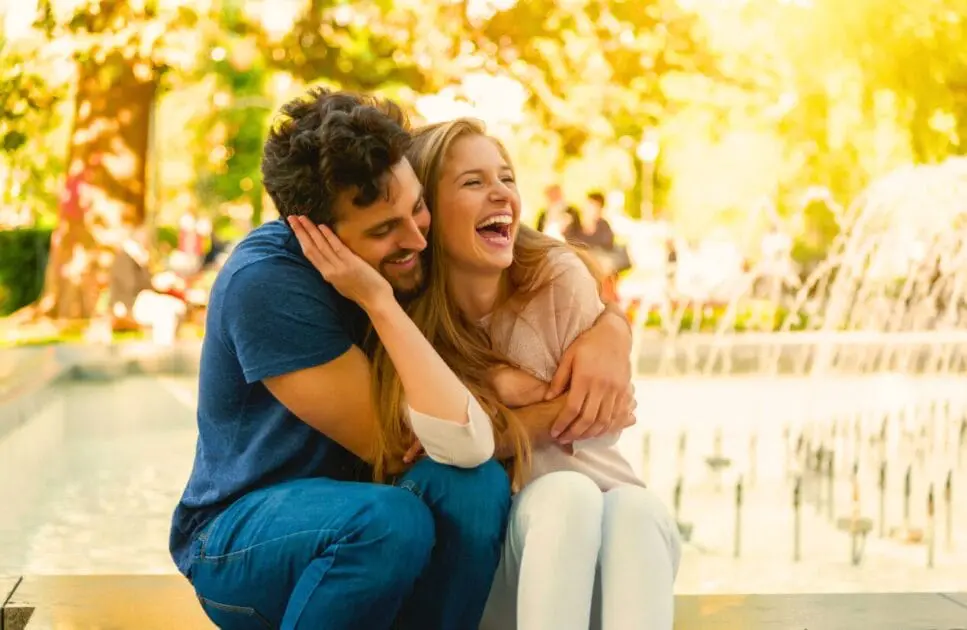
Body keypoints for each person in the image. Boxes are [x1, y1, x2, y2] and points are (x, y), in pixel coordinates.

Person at [170, 88, 634, 630]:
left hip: (371, 527)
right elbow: (395, 447)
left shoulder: (412, 241)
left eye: (417, 208)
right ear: (315, 235)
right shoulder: (267, 286)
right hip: (245, 540)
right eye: (384, 230)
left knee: (473, 484)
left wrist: (612, 330)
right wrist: (564, 411)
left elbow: (533, 257)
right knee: (389, 521)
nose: (416, 237)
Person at [292, 118, 679, 630]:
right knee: (568, 495)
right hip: (512, 558)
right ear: (426, 210)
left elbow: (605, 417)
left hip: (618, 545)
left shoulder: (555, 278)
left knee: (634, 507)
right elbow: (451, 444)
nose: (500, 193)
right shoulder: (409, 325)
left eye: (506, 178)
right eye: (473, 182)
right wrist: (526, 394)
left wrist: (609, 332)